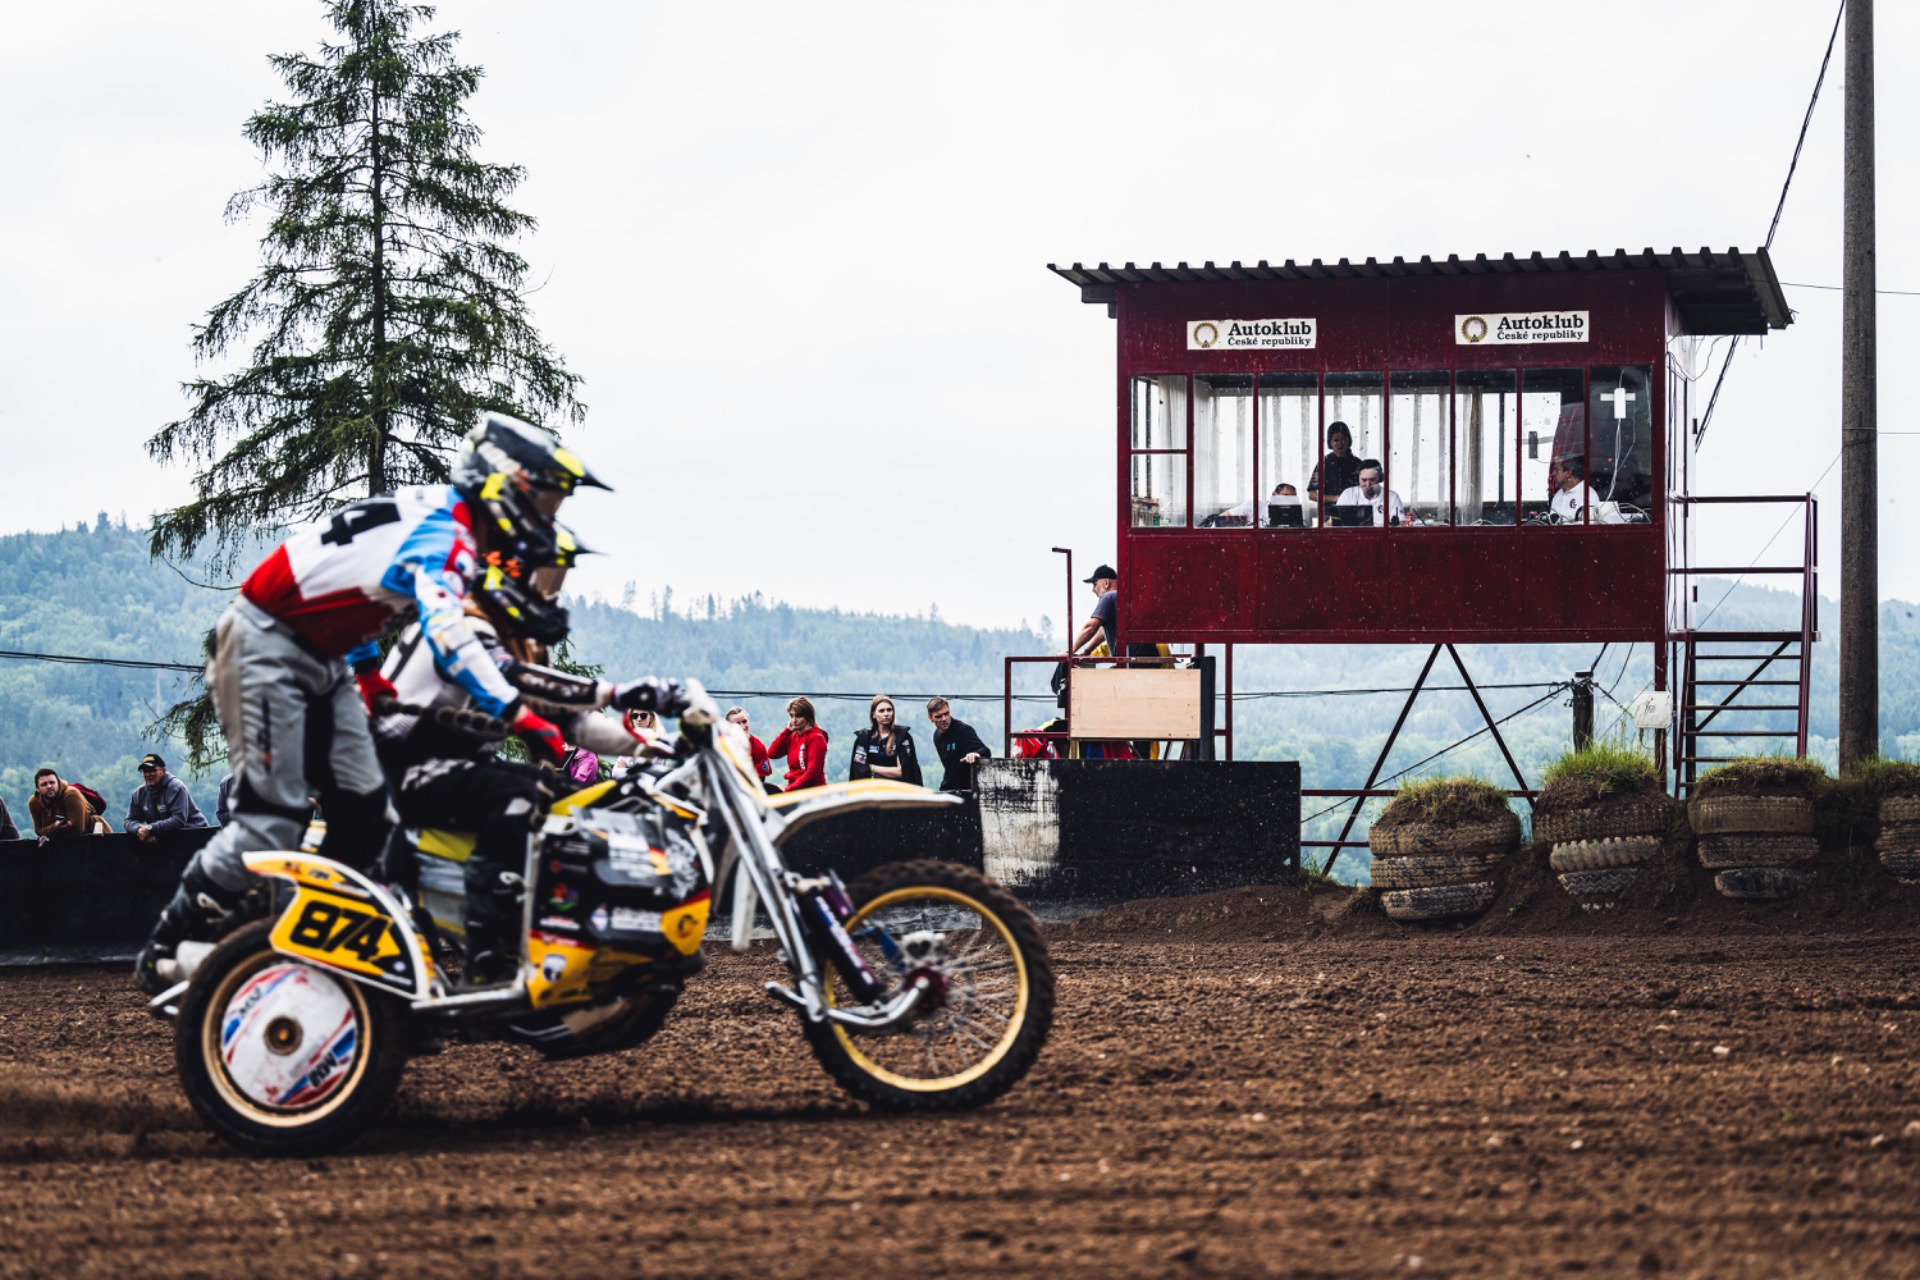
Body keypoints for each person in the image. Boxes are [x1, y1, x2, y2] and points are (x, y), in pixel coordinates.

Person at [135, 411, 609, 995]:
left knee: (370, 814)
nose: (546, 517)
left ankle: (346, 968)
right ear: (503, 486)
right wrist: (518, 714)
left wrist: (366, 672)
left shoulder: (434, 513)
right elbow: (450, 636)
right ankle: (169, 940)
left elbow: (349, 583)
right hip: (265, 644)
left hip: (318, 652)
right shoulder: (450, 539)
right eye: (545, 501)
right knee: (272, 820)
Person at [370, 561, 682, 983]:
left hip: (453, 767)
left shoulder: (510, 639)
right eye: (544, 585)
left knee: (574, 795)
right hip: (404, 770)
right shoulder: (463, 624)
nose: (549, 598)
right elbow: (513, 677)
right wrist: (615, 693)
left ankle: (561, 926)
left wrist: (656, 746)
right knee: (523, 796)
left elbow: (570, 721)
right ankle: (488, 954)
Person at [123, 754, 209, 843]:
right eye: (145, 771)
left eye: (152, 770)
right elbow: (129, 821)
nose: (148, 774)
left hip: (198, 835)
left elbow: (178, 820)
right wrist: (139, 830)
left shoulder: (176, 788)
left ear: (163, 771)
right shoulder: (139, 794)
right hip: (171, 839)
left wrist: (151, 828)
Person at [849, 694, 923, 786]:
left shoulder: (902, 737)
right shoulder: (864, 738)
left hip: (898, 790)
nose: (886, 714)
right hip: (871, 790)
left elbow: (902, 772)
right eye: (881, 711)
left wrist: (872, 767)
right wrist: (888, 771)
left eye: (889, 710)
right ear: (873, 714)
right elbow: (860, 770)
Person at [927, 697, 992, 793]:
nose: (944, 719)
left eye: (946, 714)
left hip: (965, 790)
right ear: (930, 718)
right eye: (939, 716)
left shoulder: (963, 730)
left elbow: (985, 751)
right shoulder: (936, 736)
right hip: (948, 788)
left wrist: (975, 753)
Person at [767, 697, 829, 791]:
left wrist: (788, 789)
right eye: (791, 716)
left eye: (798, 716)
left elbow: (812, 773)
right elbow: (772, 753)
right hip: (795, 790)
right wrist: (787, 731)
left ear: (807, 717)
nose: (794, 720)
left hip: (813, 791)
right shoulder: (792, 736)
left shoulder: (817, 738)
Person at [30, 769, 98, 841]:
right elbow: (38, 831)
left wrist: (51, 832)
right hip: (64, 843)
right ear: (37, 788)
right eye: (44, 784)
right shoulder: (34, 802)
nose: (49, 786)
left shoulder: (71, 795)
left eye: (52, 783)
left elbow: (78, 830)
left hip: (96, 838)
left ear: (58, 783)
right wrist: (55, 827)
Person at [1306, 422, 1362, 507]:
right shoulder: (1324, 464)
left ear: (1349, 440)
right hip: (1330, 511)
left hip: (1354, 509)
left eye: (1343, 440)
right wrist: (1336, 498)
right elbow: (1312, 495)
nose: (1340, 444)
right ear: (1330, 442)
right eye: (1336, 440)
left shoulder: (1358, 464)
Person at [1335, 461, 1407, 526]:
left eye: (1372, 480)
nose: (1368, 484)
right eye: (1364, 480)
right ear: (1358, 480)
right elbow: (1336, 522)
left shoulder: (1392, 497)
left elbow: (1400, 523)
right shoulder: (1348, 494)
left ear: (1380, 479)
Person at [726, 706, 777, 792]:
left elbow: (760, 779)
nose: (742, 726)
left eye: (744, 721)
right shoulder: (722, 744)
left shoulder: (758, 747)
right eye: (737, 724)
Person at [1217, 483, 1300, 527]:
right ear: (1274, 495)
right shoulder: (1255, 506)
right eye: (1286, 496)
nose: (1290, 500)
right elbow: (1221, 520)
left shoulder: (1294, 512)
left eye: (1293, 498)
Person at [1550, 454, 1597, 523]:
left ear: (1568, 473)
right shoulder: (1558, 495)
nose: (1553, 474)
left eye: (1557, 470)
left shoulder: (1588, 494)